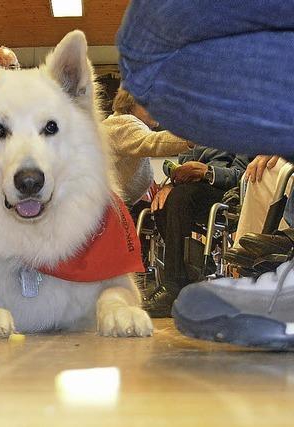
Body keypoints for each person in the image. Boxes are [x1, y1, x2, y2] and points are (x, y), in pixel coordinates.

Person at [117, 0, 294, 348]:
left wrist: (208, 172)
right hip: (193, 193)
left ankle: (175, 282)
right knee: (146, 47)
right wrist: (173, 177)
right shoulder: (193, 140)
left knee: (149, 48)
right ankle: (173, 279)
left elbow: (238, 172)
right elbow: (179, 159)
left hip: (220, 191)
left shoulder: (240, 140)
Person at [142, 147, 249, 317]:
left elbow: (242, 175)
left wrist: (207, 173)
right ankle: (188, 280)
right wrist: (172, 182)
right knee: (161, 205)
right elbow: (181, 168)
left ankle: (173, 285)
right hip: (188, 191)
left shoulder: (239, 129)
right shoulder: (195, 134)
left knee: (180, 198)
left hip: (223, 190)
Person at [103, 88, 191, 219]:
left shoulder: (125, 124)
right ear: (131, 103)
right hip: (108, 209)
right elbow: (154, 142)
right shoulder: (122, 124)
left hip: (114, 205)